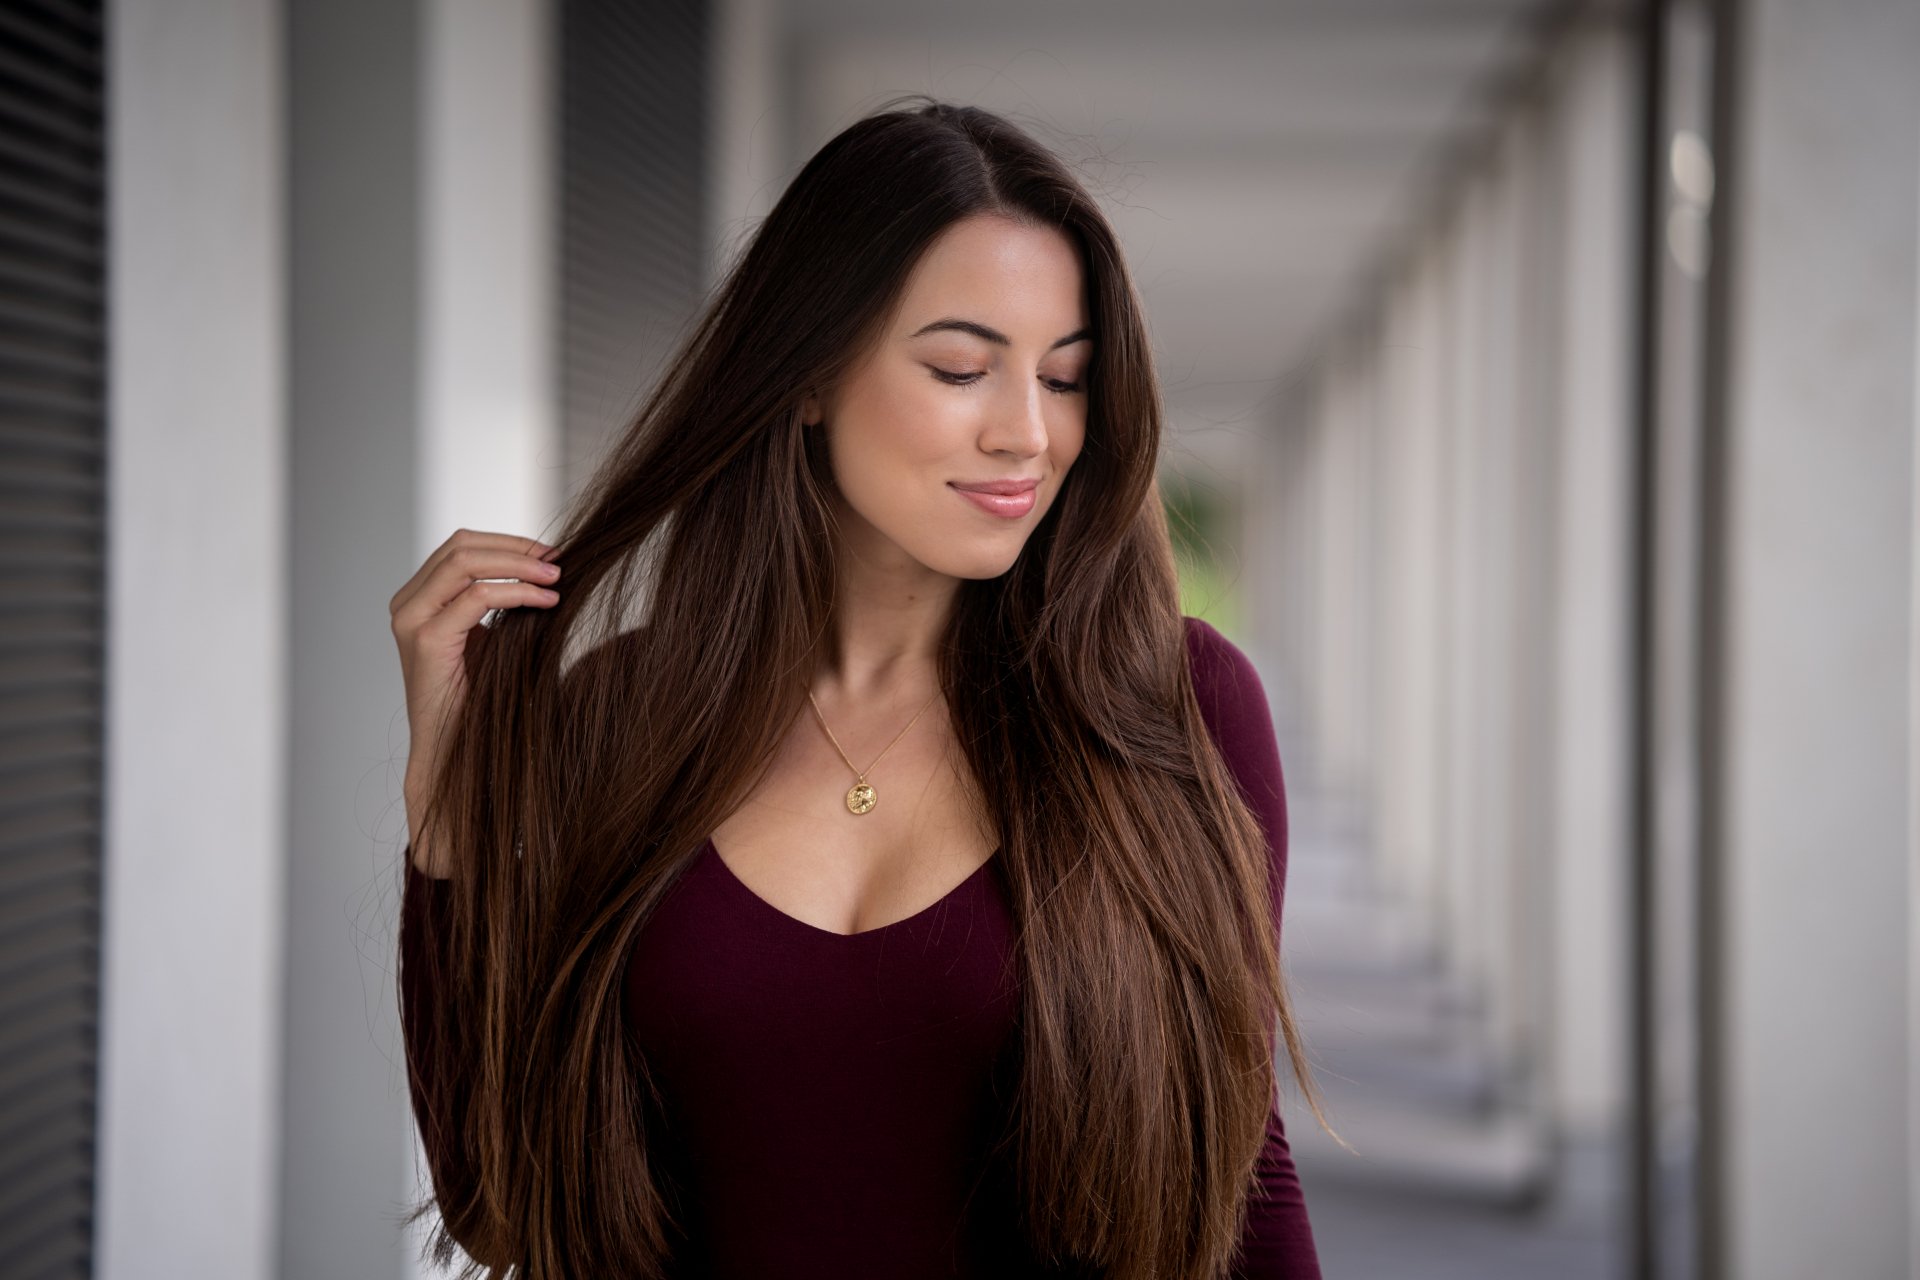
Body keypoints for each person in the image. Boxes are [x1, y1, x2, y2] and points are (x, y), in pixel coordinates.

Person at [390, 96, 1333, 1279]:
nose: (1027, 433)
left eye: (1066, 378)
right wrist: (444, 821)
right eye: (960, 367)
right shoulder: (622, 717)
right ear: (806, 377)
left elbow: (1242, 1172)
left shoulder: (1177, 707)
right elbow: (501, 1201)